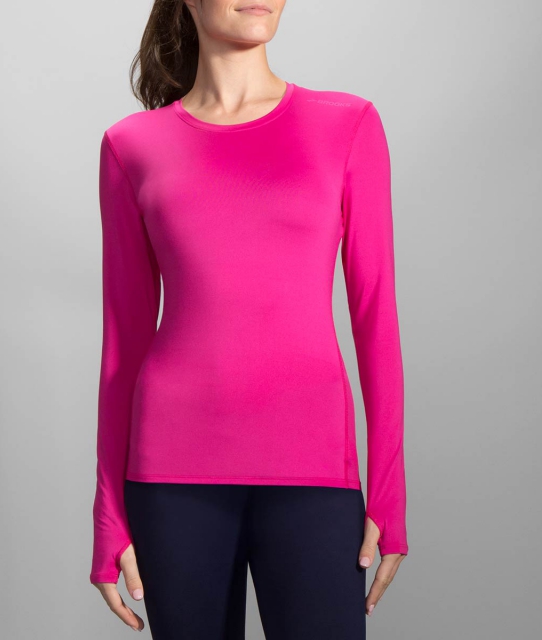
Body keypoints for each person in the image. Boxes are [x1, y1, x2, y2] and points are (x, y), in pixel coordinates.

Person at [89, 1, 409, 637]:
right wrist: (108, 513)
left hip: (315, 470)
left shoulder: (347, 124)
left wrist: (389, 489)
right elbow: (123, 342)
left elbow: (376, 316)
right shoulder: (131, 145)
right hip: (170, 477)